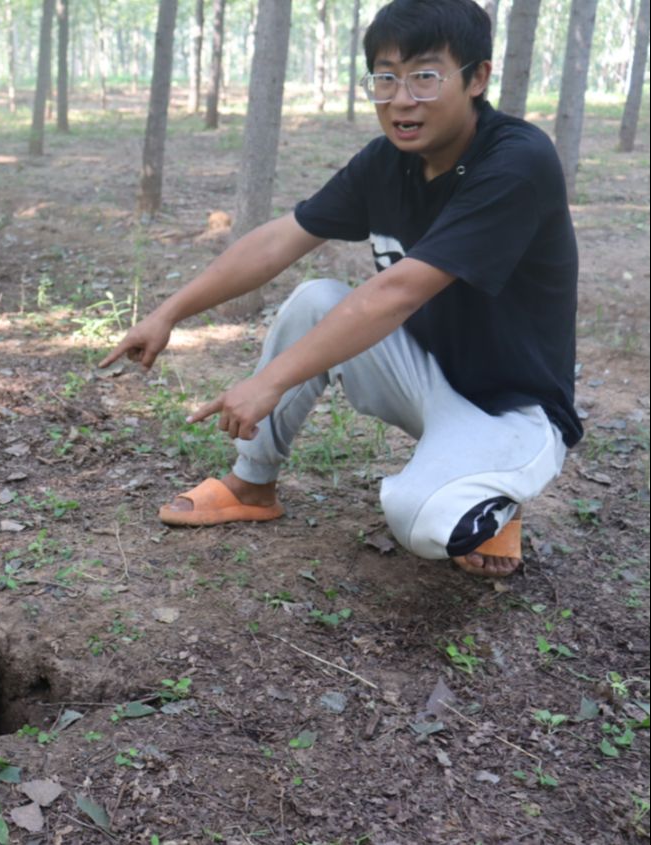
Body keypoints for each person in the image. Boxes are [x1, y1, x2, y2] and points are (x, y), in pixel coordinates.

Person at [100, 0, 580, 578]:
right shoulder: (387, 162)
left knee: (421, 520)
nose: (402, 99)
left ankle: (490, 499)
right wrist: (169, 312)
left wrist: (269, 382)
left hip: (512, 410)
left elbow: (396, 293)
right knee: (315, 301)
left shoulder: (516, 162)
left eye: (426, 77)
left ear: (477, 78)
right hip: (428, 379)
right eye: (386, 77)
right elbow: (281, 239)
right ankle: (251, 486)